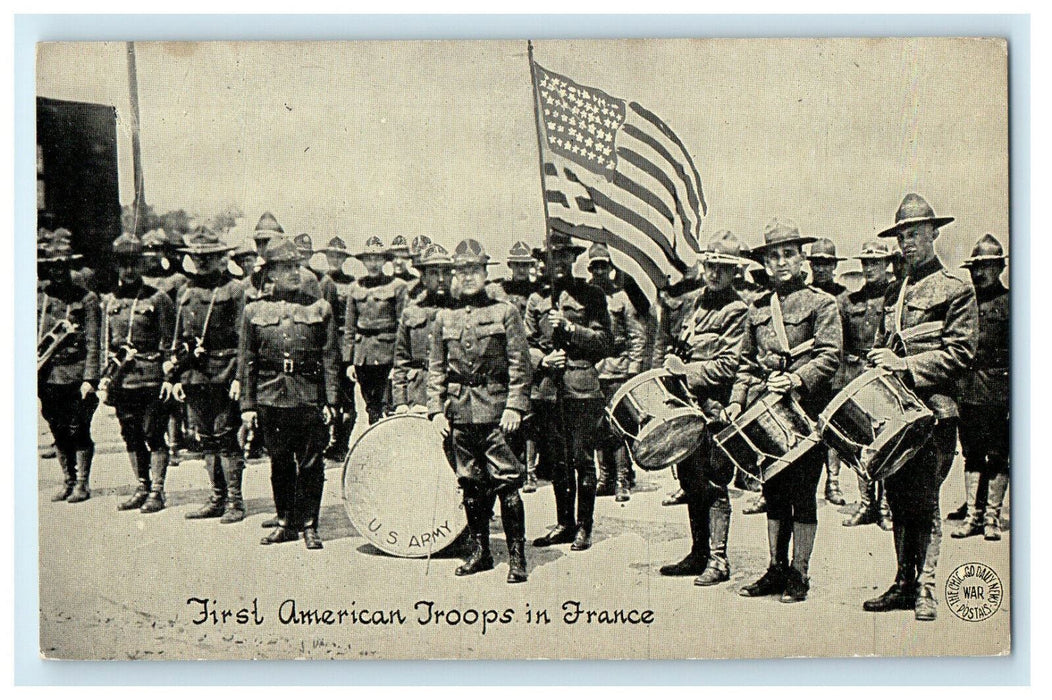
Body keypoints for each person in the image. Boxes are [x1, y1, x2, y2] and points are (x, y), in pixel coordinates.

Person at [863, 193, 977, 621]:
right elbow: (882, 344)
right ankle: (903, 582)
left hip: (934, 411)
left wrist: (905, 365)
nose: (907, 242)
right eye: (902, 235)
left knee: (925, 502)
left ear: (933, 234)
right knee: (898, 497)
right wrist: (880, 360)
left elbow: (961, 353)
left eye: (915, 233)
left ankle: (927, 587)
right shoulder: (896, 291)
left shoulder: (956, 288)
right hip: (896, 414)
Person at [728, 219, 842, 603]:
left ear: (801, 257)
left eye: (788, 254)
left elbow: (830, 355)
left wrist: (796, 380)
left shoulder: (822, 303)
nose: (780, 263)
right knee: (774, 491)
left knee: (803, 493)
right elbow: (745, 362)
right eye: (773, 256)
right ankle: (776, 568)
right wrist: (736, 400)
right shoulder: (757, 308)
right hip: (765, 413)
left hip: (806, 413)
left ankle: (800, 573)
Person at [428, 239, 532, 583]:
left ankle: (517, 557)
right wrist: (436, 411)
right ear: (454, 275)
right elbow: (436, 369)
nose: (468, 277)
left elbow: (520, 365)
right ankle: (480, 552)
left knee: (507, 485)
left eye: (475, 270)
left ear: (486, 273)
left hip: (498, 412)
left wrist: (515, 406)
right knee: (471, 485)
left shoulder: (505, 312)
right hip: (460, 413)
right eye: (462, 271)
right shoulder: (444, 317)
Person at [659, 231, 750, 586]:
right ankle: (698, 553)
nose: (714, 273)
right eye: (710, 265)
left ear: (734, 273)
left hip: (715, 410)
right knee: (689, 480)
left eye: (723, 268)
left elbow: (730, 364)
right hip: (686, 407)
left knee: (713, 483)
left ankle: (718, 559)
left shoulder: (737, 309)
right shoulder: (694, 304)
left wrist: (687, 371)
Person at [239, 238, 340, 550]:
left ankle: (310, 524)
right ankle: (285, 522)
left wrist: (332, 401)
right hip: (271, 396)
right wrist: (248, 404)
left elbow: (330, 358)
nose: (295, 272)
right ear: (270, 274)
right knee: (279, 462)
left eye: (297, 266)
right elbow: (247, 360)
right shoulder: (254, 311)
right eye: (285, 267)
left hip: (308, 395)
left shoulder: (319, 308)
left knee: (311, 462)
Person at [525, 230, 613, 552]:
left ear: (573, 259)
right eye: (552, 256)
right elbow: (525, 345)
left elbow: (605, 342)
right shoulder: (537, 300)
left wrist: (572, 329)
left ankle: (584, 527)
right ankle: (564, 523)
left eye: (563, 256)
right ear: (544, 261)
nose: (557, 262)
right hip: (548, 390)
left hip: (581, 389)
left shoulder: (591, 295)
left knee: (582, 459)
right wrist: (543, 359)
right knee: (558, 462)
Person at [167, 226, 247, 523]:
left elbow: (243, 339)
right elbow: (178, 338)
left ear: (220, 258)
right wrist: (175, 376)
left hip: (225, 372)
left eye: (208, 257)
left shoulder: (234, 290)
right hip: (194, 375)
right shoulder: (185, 291)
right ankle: (216, 497)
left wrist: (240, 376)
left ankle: (235, 503)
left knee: (226, 435)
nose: (202, 263)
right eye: (196, 257)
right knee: (205, 437)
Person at [100, 233, 177, 513]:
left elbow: (170, 343)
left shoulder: (159, 299)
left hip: (151, 377)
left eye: (134, 264)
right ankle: (141, 485)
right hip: (122, 380)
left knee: (154, 433)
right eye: (123, 264)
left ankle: (157, 490)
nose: (129, 270)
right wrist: (104, 378)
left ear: (143, 266)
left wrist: (169, 377)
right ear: (116, 267)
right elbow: (103, 344)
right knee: (130, 434)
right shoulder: (109, 301)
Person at [951, 234, 1009, 541]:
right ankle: (972, 516)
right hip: (969, 389)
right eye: (975, 267)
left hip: (1001, 392)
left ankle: (992, 519)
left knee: (998, 455)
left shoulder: (1013, 302)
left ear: (999, 267)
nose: (979, 272)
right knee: (972, 454)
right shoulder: (966, 301)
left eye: (986, 266)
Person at [37, 228, 100, 503]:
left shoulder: (86, 299)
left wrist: (91, 377)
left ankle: (82, 484)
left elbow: (95, 341)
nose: (58, 272)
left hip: (76, 373)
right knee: (57, 428)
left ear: (70, 267)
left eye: (63, 266)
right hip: (47, 374)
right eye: (52, 267)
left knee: (79, 427)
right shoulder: (39, 298)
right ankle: (68, 480)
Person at [839, 240, 897, 530]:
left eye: (876, 262)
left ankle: (885, 506)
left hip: (886, 377)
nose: (870, 268)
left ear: (887, 263)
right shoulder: (849, 302)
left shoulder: (897, 296)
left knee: (885, 443)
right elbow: (838, 344)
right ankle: (866, 504)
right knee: (860, 443)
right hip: (856, 377)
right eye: (865, 262)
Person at [586, 243, 646, 502]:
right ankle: (606, 476)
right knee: (598, 427)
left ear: (610, 268)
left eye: (604, 265)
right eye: (595, 266)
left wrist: (633, 369)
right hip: (593, 370)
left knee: (618, 425)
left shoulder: (621, 297)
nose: (599, 271)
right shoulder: (584, 296)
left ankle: (622, 478)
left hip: (618, 367)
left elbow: (636, 335)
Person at [652, 265, 705, 507]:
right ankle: (685, 485)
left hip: (699, 373)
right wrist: (657, 375)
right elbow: (661, 340)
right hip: (674, 374)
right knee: (679, 432)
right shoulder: (670, 297)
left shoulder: (703, 297)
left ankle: (699, 485)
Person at [488, 241, 540, 490]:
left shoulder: (538, 290)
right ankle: (510, 467)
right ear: (510, 265)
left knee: (529, 417)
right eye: (517, 265)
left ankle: (530, 471)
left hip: (531, 355)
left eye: (525, 265)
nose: (521, 269)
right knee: (505, 413)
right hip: (504, 357)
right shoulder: (499, 290)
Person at [345, 236, 408, 424]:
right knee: (371, 407)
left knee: (388, 405)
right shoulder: (355, 287)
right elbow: (349, 327)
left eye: (377, 259)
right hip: (363, 356)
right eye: (369, 259)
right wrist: (349, 361)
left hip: (387, 355)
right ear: (363, 261)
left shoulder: (397, 286)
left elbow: (402, 326)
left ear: (384, 261)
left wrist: (399, 361)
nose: (373, 263)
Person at [806, 238, 848, 506]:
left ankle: (833, 484)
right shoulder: (804, 294)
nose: (821, 268)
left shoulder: (844, 297)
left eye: (826, 263)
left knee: (833, 433)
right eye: (817, 263)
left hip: (836, 377)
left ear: (834, 265)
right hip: (809, 376)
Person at [393, 244, 454, 413]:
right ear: (424, 278)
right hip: (418, 392)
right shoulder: (410, 312)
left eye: (446, 273)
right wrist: (400, 402)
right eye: (434, 273)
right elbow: (401, 361)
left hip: (452, 392)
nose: (441, 279)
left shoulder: (461, 311)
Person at [318, 236, 358, 461]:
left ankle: (341, 444)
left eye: (339, 256)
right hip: (324, 344)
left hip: (343, 346)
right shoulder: (319, 282)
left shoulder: (352, 284)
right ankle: (325, 441)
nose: (335, 259)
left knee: (346, 400)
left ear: (344, 258)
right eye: (331, 255)